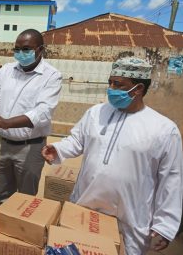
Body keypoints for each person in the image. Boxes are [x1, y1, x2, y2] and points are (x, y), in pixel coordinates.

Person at [42, 57, 183, 254]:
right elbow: (77, 140)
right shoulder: (96, 113)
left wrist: (165, 226)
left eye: (118, 84)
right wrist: (58, 149)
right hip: (84, 209)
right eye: (110, 82)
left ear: (138, 89)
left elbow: (172, 180)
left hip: (130, 221)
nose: (111, 88)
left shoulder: (164, 129)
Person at [0, 29, 62, 204]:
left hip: (30, 147)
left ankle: (20, 229)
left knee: (25, 201)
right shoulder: (6, 70)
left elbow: (43, 112)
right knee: (2, 195)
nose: (20, 54)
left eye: (26, 49)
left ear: (40, 50)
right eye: (16, 49)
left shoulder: (52, 76)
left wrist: (6, 123)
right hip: (2, 145)